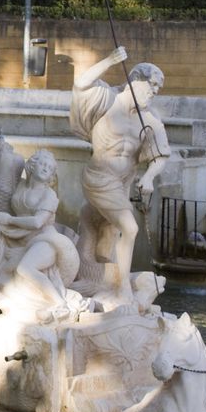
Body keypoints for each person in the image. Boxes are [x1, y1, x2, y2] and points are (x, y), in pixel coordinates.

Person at [70, 46, 170, 304]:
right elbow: (81, 84)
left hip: (122, 183)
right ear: (135, 81)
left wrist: (148, 177)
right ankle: (123, 288)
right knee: (130, 227)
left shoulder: (149, 120)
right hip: (99, 178)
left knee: (106, 231)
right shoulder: (107, 99)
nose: (155, 92)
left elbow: (160, 155)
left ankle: (93, 277)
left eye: (158, 88)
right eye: (152, 85)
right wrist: (110, 60)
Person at [0, 149, 84, 321]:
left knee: (25, 268)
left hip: (46, 240)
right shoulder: (20, 186)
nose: (46, 168)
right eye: (42, 164)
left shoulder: (49, 195)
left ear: (51, 176)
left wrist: (9, 220)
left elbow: (38, 222)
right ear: (32, 165)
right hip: (22, 240)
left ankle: (60, 304)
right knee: (4, 276)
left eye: (50, 168)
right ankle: (32, 303)